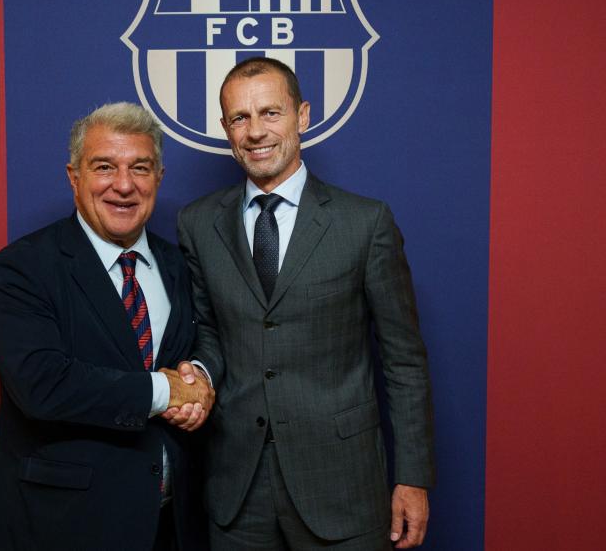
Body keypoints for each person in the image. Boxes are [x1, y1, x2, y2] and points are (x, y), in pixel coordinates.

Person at [172, 57, 436, 549]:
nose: (255, 132)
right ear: (225, 128)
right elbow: (208, 330)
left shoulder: (365, 223)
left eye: (271, 113)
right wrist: (199, 377)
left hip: (342, 486)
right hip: (237, 489)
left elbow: (404, 361)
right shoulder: (197, 223)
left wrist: (413, 476)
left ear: (303, 116)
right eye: (240, 118)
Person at [0, 102, 211, 550]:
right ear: (74, 177)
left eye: (140, 167)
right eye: (104, 167)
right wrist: (165, 390)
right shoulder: (20, 269)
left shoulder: (181, 265)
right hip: (57, 527)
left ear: (158, 177)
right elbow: (42, 384)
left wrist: (201, 381)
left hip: (170, 529)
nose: (123, 185)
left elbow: (209, 345)